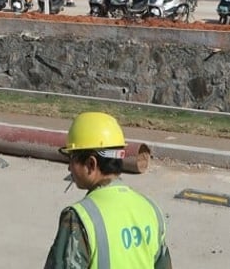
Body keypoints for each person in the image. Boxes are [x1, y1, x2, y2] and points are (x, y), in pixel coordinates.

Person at [44, 112, 171, 269]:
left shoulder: (79, 218)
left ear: (91, 164)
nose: (69, 167)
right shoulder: (151, 209)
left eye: (71, 158)